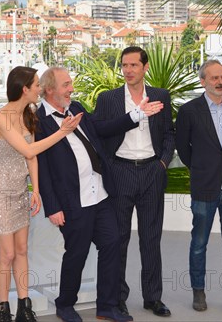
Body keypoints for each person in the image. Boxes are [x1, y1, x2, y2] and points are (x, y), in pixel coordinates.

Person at [36, 67, 137, 322]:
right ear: (49, 90)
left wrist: (134, 116)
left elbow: (101, 129)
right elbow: (43, 169)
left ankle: (107, 305)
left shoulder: (76, 106)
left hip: (100, 195)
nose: (71, 88)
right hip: (72, 201)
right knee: (77, 253)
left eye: (71, 83)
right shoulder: (40, 122)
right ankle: (65, 304)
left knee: (112, 243)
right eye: (66, 84)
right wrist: (53, 207)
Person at [0, 66, 82, 322]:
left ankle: (24, 308)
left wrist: (35, 189)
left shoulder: (29, 115)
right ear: (24, 88)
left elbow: (33, 158)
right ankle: (3, 310)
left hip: (19, 191)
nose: (39, 89)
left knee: (23, 250)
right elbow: (28, 150)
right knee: (6, 254)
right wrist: (63, 132)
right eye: (36, 85)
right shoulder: (0, 117)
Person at [93, 46, 174, 317]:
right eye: (124, 65)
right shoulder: (108, 99)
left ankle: (153, 298)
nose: (128, 70)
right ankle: (117, 298)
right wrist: (111, 167)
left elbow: (169, 134)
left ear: (145, 67)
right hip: (121, 173)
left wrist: (162, 163)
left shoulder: (161, 96)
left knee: (151, 238)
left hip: (152, 171)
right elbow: (99, 133)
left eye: (133, 65)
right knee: (119, 240)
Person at [175, 60, 222, 313]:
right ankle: (198, 292)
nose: (220, 82)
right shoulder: (189, 111)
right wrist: (201, 167)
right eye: (214, 78)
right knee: (199, 242)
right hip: (205, 187)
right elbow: (183, 149)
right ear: (203, 81)